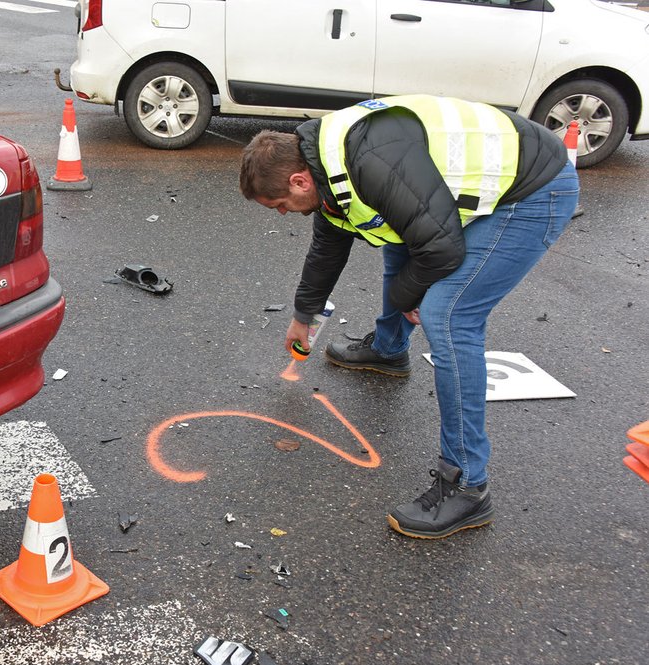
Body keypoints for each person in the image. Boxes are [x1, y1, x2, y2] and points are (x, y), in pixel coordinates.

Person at [239, 95, 578, 540]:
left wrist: (409, 297)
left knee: (448, 316)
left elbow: (440, 248)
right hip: (474, 188)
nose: (283, 213)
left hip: (534, 191)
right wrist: (303, 316)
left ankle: (467, 486)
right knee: (400, 235)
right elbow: (329, 245)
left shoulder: (370, 161)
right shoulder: (324, 166)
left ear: (299, 181)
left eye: (279, 204)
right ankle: (388, 350)